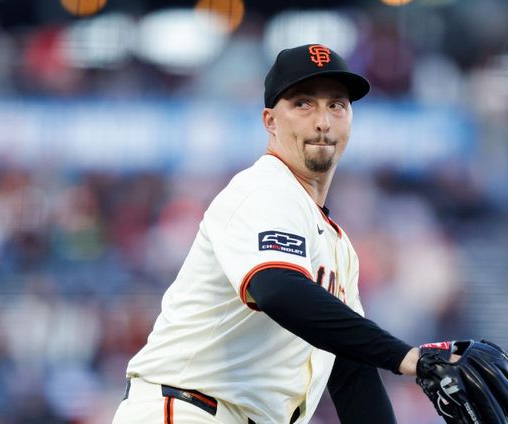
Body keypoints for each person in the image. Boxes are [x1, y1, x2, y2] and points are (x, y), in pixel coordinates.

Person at [113, 43, 427, 424]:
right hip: (188, 409)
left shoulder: (338, 246)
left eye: (337, 105)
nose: (323, 121)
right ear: (270, 121)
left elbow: (352, 373)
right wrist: (407, 357)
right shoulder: (264, 188)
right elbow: (277, 289)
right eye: (303, 104)